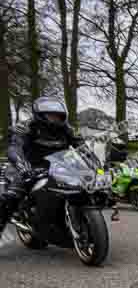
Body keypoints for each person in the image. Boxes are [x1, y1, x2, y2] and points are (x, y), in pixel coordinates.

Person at [0, 97, 85, 235]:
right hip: (30, 166)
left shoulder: (68, 129)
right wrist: (23, 166)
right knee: (11, 196)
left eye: (58, 116)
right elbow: (14, 148)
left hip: (58, 167)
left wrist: (96, 164)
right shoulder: (25, 127)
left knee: (85, 187)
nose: (55, 119)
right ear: (39, 115)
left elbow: (83, 148)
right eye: (51, 115)